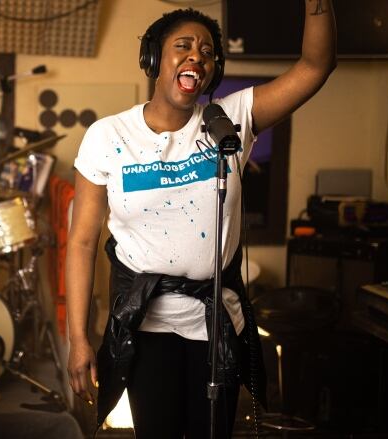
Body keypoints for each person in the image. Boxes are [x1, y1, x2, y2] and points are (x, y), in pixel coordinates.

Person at [67, 2, 336, 437]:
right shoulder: (107, 136)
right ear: (154, 58)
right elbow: (81, 242)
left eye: (208, 51)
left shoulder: (228, 122)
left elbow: (316, 66)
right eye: (184, 46)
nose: (198, 56)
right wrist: (78, 337)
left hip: (216, 327)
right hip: (145, 328)